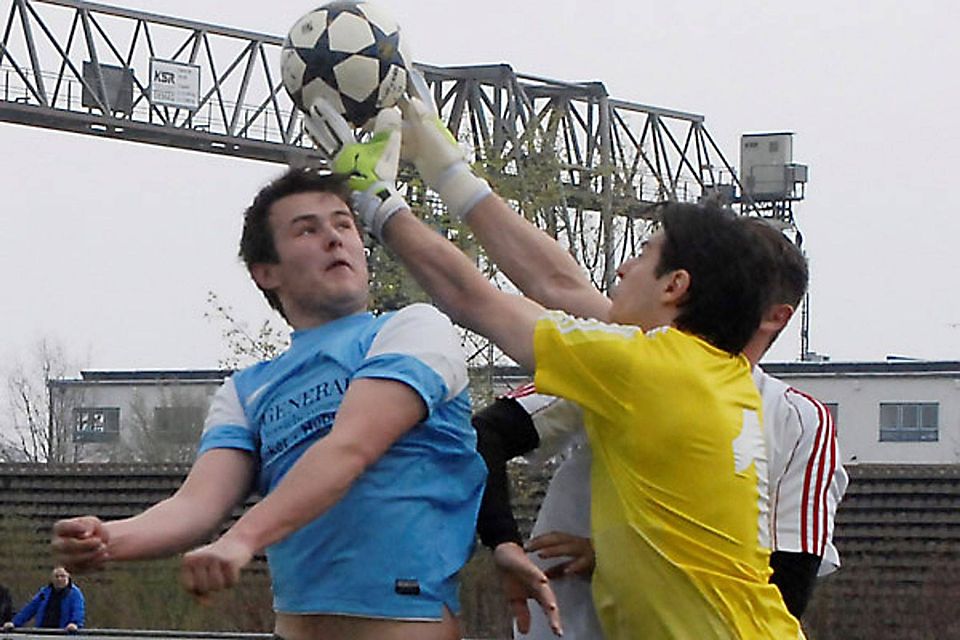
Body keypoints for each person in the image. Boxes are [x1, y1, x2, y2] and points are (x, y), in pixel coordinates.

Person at [309, 92, 805, 637]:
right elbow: (557, 284)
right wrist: (452, 174)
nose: (621, 269)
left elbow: (473, 299)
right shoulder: (705, 369)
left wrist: (377, 201)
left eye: (642, 254)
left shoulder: (645, 369)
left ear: (675, 286)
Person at [51, 169, 495, 640]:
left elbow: (350, 447)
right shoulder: (245, 390)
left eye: (343, 224)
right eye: (307, 230)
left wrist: (242, 539)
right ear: (266, 272)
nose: (334, 238)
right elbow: (197, 504)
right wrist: (109, 538)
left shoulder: (414, 328)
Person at [472, 220, 848, 637]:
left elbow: (788, 588)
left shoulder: (800, 420)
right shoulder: (629, 364)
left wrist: (616, 557)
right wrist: (502, 540)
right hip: (570, 626)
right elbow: (487, 432)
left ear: (776, 316)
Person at [2, 567, 84, 632]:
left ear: (68, 577)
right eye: (56, 576)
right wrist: (14, 623)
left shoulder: (75, 594)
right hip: (43, 632)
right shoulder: (45, 593)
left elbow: (78, 610)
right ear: (52, 579)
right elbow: (30, 609)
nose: (59, 579)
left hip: (63, 633)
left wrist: (74, 623)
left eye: (62, 576)